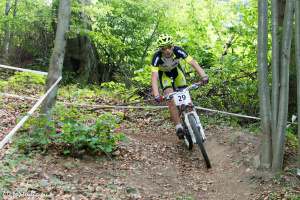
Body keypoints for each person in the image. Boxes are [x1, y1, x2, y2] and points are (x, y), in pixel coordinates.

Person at [151, 34, 209, 139]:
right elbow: (154, 76)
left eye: (169, 47)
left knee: (185, 95)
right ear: (161, 50)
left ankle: (194, 120)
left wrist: (203, 75)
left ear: (173, 46)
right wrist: (156, 94)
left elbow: (193, 63)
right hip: (165, 76)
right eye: (164, 49)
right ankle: (178, 126)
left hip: (177, 73)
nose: (167, 50)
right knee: (170, 98)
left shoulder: (178, 50)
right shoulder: (157, 57)